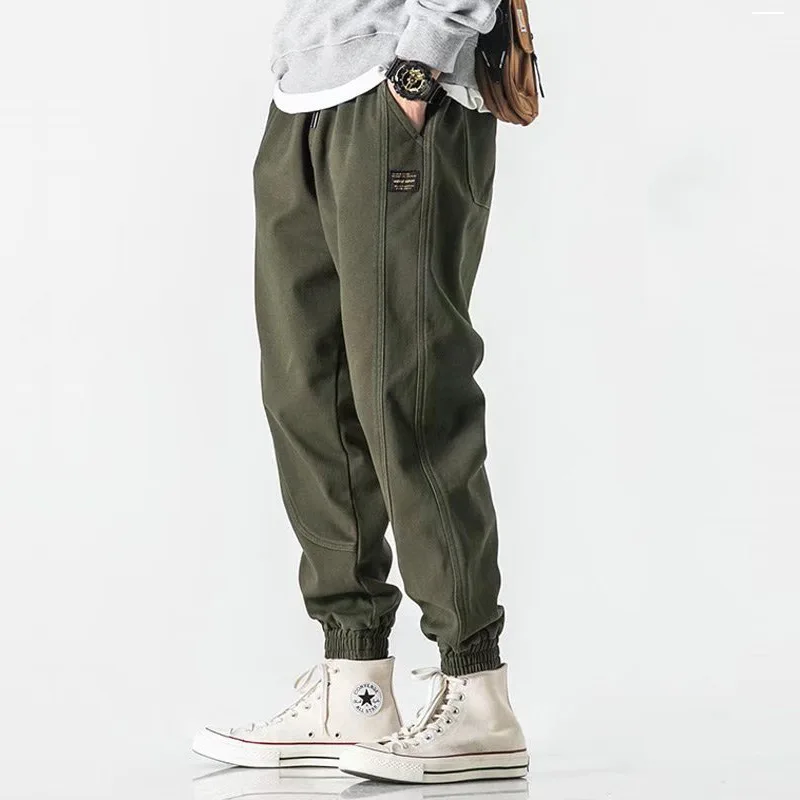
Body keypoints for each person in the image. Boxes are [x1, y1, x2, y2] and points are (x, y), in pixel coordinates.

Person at [193, 0, 528, 785]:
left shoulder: (412, 79)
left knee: (408, 392)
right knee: (306, 395)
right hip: (303, 97)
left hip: (403, 88)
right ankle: (356, 687)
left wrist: (421, 66)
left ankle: (477, 692)